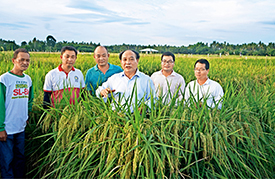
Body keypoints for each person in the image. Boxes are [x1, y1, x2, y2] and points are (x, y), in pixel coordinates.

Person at [0, 48, 34, 178]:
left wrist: (27, 115)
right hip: (6, 130)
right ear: (14, 60)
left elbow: (29, 100)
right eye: (22, 60)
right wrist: (1, 128)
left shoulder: (28, 80)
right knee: (6, 161)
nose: (25, 63)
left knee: (20, 159)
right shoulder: (4, 80)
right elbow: (0, 105)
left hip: (20, 128)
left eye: (27, 60)